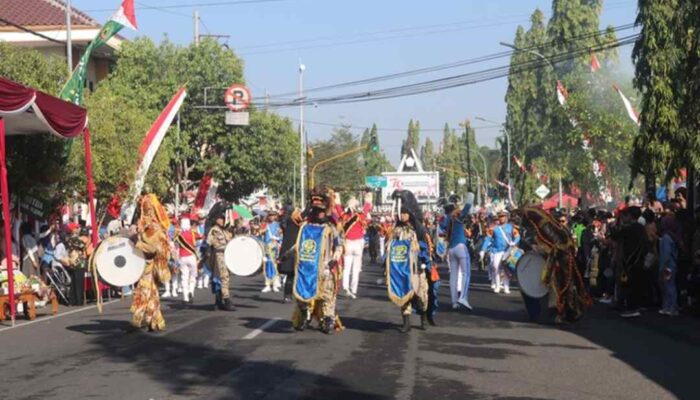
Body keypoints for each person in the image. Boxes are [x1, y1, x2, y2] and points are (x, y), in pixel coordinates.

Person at [291, 187, 344, 334]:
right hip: (306, 266)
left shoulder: (331, 226)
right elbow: (293, 224)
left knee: (327, 295)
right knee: (302, 294)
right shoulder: (306, 225)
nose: (319, 212)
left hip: (325, 266)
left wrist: (334, 260)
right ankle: (303, 316)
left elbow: (339, 244)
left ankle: (327, 320)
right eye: (315, 207)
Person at [386, 190, 430, 332]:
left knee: (421, 294)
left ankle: (423, 318)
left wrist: (422, 258)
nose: (402, 215)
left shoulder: (418, 229)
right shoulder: (396, 230)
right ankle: (406, 322)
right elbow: (390, 247)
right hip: (401, 267)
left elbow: (426, 246)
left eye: (405, 213)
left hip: (417, 267)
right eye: (401, 213)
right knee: (403, 293)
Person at [130, 194, 172, 331]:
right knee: (151, 293)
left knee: (144, 292)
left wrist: (137, 243)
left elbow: (151, 248)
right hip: (144, 264)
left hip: (149, 265)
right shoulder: (148, 227)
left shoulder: (153, 228)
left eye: (146, 211)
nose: (144, 214)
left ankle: (139, 319)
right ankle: (153, 320)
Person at [439, 193, 475, 310]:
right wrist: (470, 195)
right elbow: (467, 207)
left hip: (451, 249)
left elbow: (443, 227)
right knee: (466, 273)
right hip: (460, 246)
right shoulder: (457, 216)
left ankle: (454, 302)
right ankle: (463, 297)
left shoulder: (444, 220)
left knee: (453, 276)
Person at [341, 193, 373, 299]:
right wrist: (368, 198)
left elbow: (337, 210)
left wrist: (336, 197)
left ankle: (345, 287)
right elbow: (367, 208)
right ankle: (353, 290)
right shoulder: (360, 216)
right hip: (358, 244)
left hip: (348, 243)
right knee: (356, 269)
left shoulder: (345, 216)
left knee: (346, 268)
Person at [207, 206, 235, 311]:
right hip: (219, 256)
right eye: (221, 218)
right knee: (224, 278)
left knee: (222, 278)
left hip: (226, 256)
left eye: (223, 218)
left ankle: (218, 301)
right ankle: (227, 300)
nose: (223, 220)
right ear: (216, 220)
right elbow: (209, 244)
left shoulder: (226, 231)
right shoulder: (214, 230)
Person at [490, 210, 520, 294]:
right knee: (495, 267)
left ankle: (506, 287)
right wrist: (483, 249)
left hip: (507, 251)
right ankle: (497, 285)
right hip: (497, 251)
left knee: (506, 269)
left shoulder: (511, 227)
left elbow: (517, 236)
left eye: (503, 216)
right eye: (500, 216)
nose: (502, 218)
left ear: (506, 217)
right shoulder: (494, 228)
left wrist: (514, 242)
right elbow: (488, 238)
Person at [659, 214, 682, 316]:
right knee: (670, 285)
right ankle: (670, 306)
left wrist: (663, 266)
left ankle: (670, 307)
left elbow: (666, 253)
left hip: (667, 265)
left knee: (668, 286)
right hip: (673, 264)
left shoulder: (666, 237)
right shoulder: (675, 236)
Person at [175, 214, 200, 303]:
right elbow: (201, 237)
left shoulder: (178, 234)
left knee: (184, 277)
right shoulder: (193, 233)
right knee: (193, 276)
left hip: (182, 257)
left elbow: (174, 242)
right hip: (191, 257)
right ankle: (191, 291)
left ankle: (185, 297)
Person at [262, 211, 282, 293]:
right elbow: (260, 233)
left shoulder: (278, 225)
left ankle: (275, 284)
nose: (271, 217)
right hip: (267, 247)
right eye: (270, 215)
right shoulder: (265, 225)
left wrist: (277, 239)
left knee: (274, 266)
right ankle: (267, 285)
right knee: (267, 265)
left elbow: (280, 236)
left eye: (273, 215)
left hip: (274, 248)